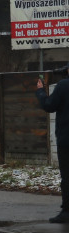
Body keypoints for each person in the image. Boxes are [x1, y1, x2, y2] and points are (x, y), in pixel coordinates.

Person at [37, 71, 69, 223]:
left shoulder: (63, 86)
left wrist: (40, 91)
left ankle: (67, 211)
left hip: (66, 139)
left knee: (67, 176)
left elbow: (49, 105)